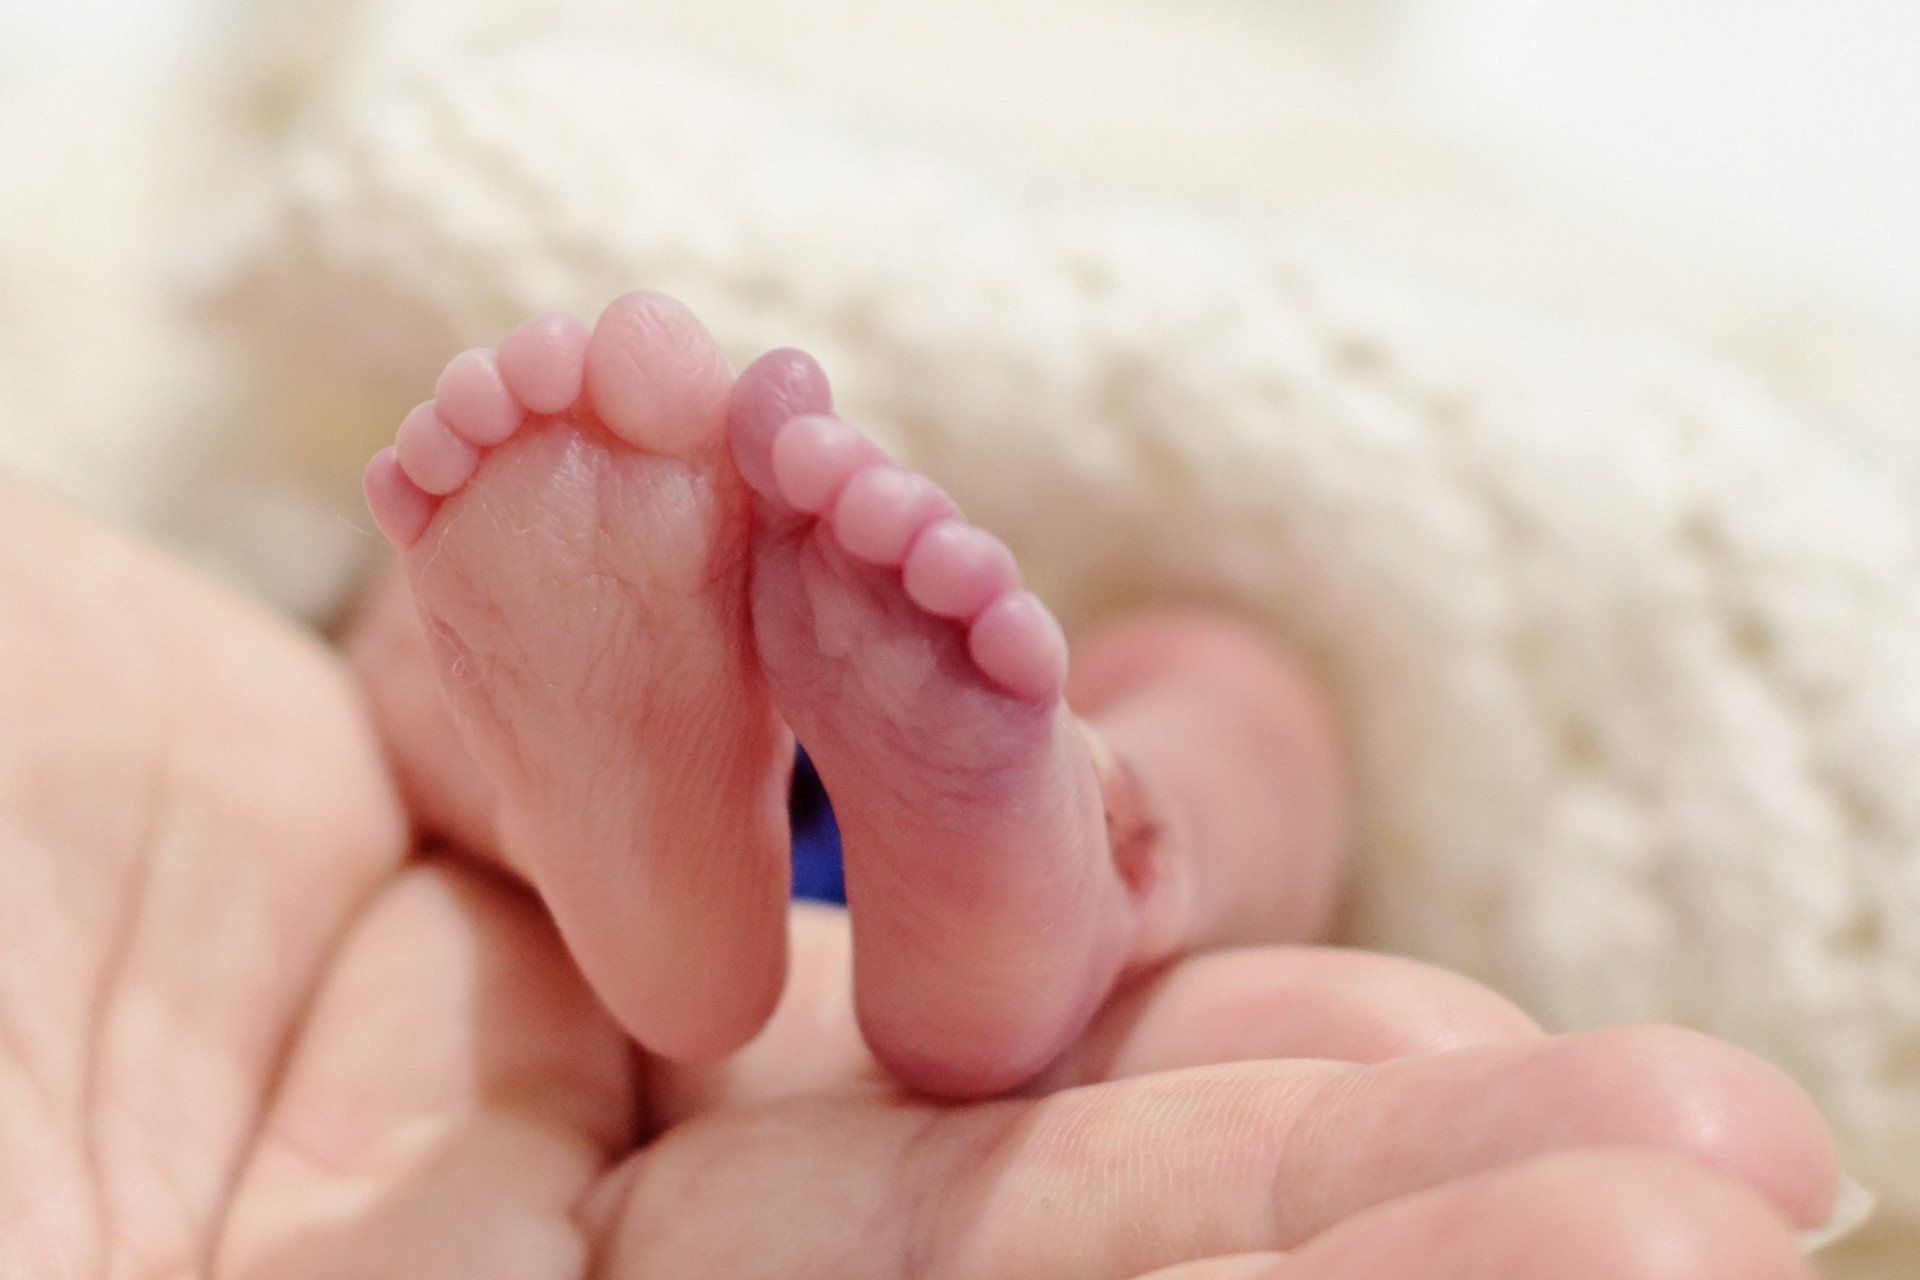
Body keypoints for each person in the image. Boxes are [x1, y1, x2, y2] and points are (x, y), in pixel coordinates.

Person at [0, 292, 1836, 1277]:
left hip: (615, 897)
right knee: (1239, 684)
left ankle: (1014, 843)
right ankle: (1100, 844)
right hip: (594, 873)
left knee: (409, 649)